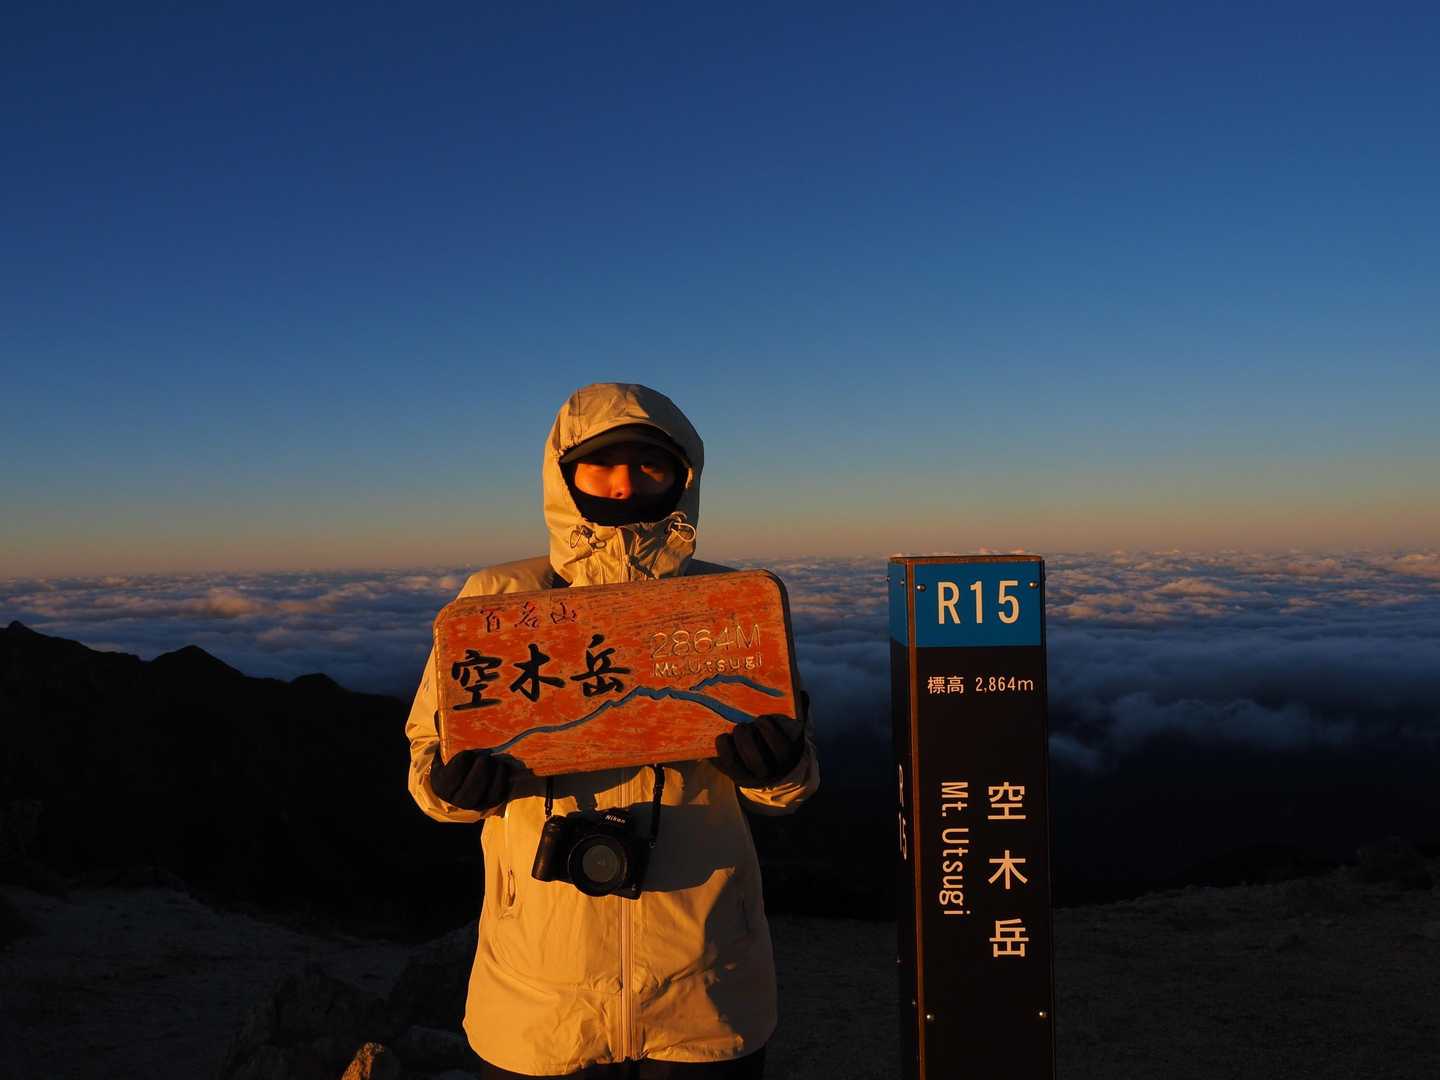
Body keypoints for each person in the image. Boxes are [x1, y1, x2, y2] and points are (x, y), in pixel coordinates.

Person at [405, 382, 820, 1079]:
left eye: (649, 464)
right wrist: (450, 790)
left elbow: (795, 777)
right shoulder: (498, 600)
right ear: (563, 475)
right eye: (600, 464)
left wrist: (779, 771)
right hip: (538, 997)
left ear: (684, 478)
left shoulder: (732, 607)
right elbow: (426, 751)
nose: (625, 484)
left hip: (705, 989)